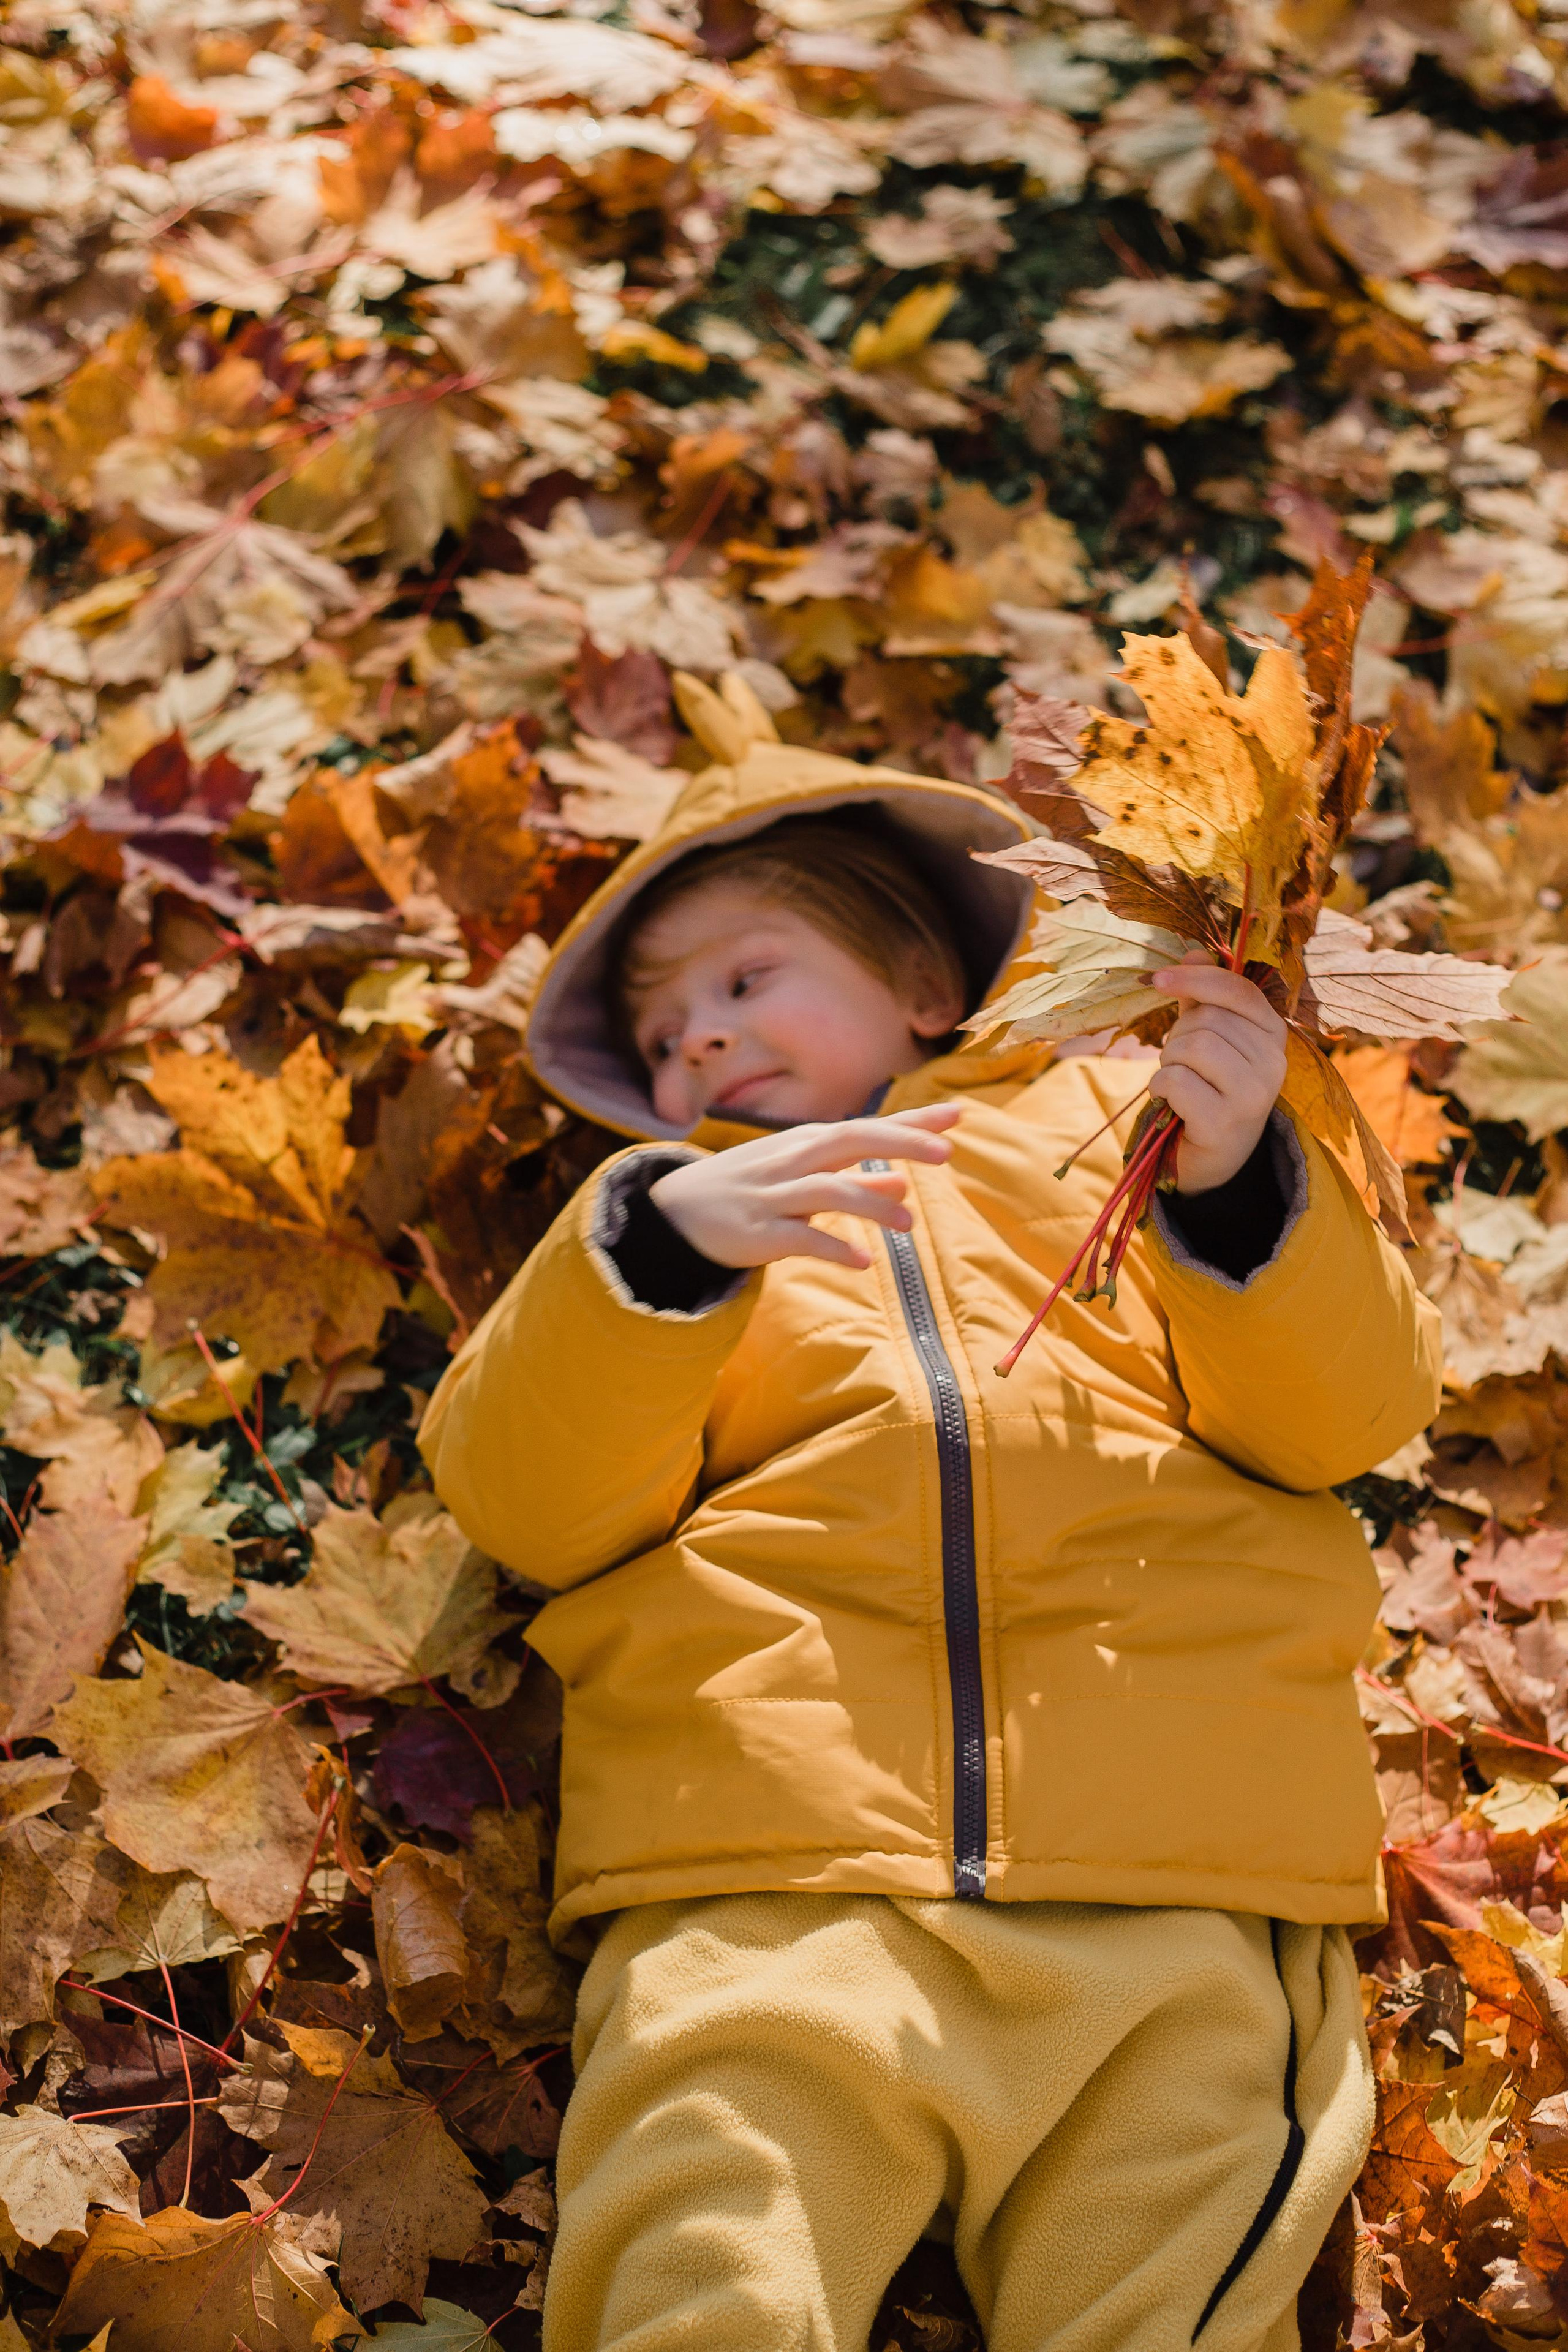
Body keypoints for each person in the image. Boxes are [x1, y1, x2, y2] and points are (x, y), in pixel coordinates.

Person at [420, 671, 1442, 2352]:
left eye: (750, 980)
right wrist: (662, 1255)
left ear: (920, 984)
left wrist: (1241, 1181)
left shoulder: (1115, 1139)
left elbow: (1339, 1416)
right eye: (671, 1038)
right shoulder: (657, 1232)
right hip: (772, 1869)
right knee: (706, 2224)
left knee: (1173, 2273)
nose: (709, 1042)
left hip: (1167, 1862)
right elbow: (534, 1504)